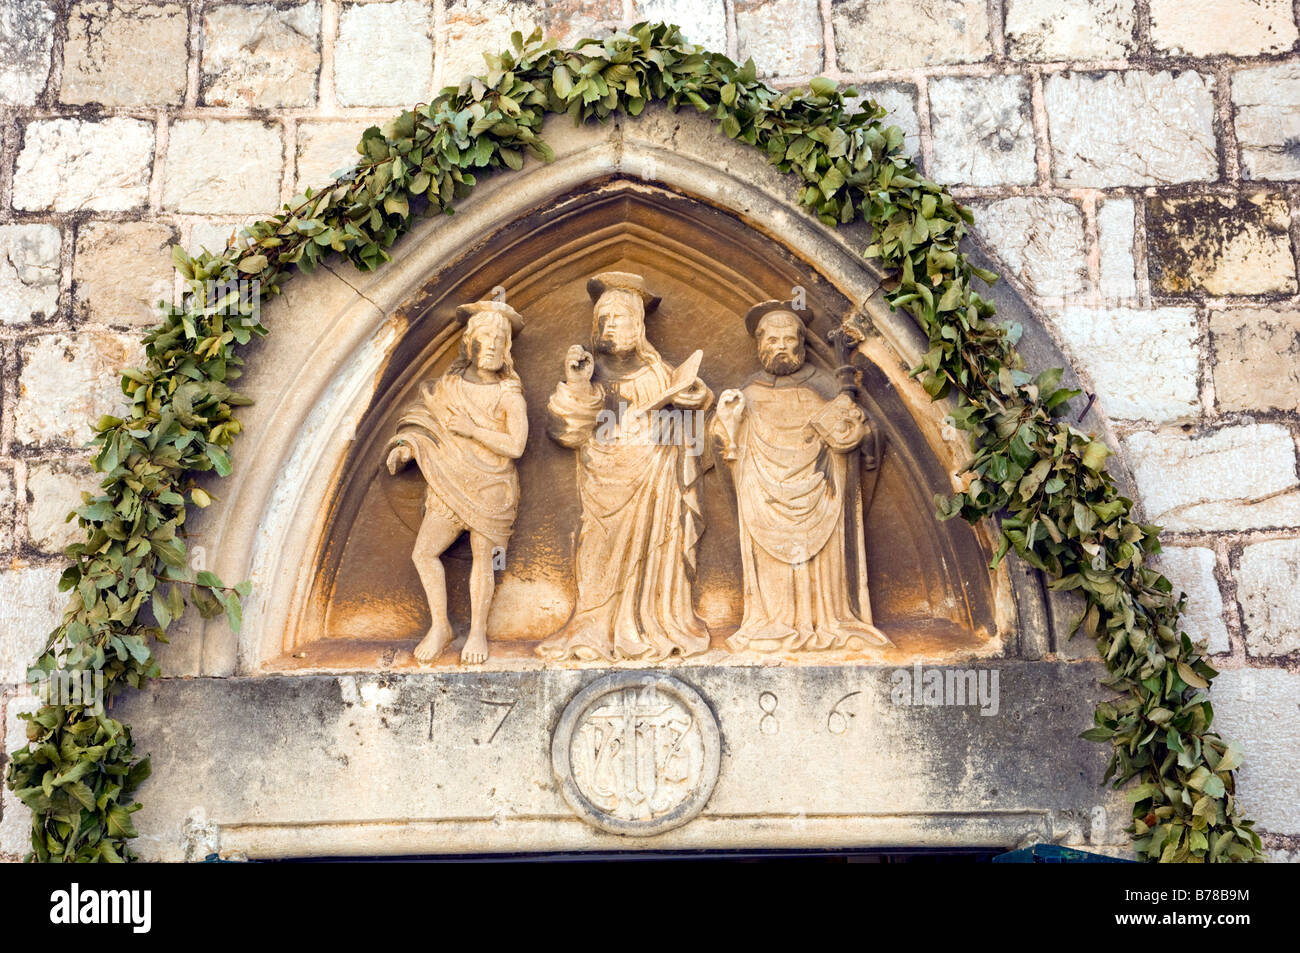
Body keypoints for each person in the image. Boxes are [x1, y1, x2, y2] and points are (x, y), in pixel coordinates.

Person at [540, 271, 713, 661]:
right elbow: (565, 433)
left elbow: (688, 428)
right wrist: (578, 386)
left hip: (656, 487)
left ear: (638, 326)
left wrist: (696, 402)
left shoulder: (658, 374)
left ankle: (652, 622)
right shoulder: (587, 372)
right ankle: (594, 629)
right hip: (603, 488)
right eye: (603, 319)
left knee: (655, 548)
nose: (610, 326)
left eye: (619, 319)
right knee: (595, 553)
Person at [711, 299, 891, 653]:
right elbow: (721, 443)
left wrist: (858, 428)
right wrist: (725, 422)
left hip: (821, 495)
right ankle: (772, 623)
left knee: (824, 572)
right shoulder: (747, 394)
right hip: (764, 502)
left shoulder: (824, 387)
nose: (780, 347)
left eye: (788, 340)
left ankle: (829, 619)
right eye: (772, 340)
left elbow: (862, 433)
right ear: (760, 345)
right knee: (773, 568)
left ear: (802, 344)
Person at [385, 298, 528, 664]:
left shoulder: (509, 394)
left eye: (501, 339)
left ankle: (478, 631)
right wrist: (404, 447)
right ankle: (440, 626)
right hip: (449, 485)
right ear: (471, 343)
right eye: (486, 337)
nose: (493, 345)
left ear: (507, 349)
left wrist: (474, 429)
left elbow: (515, 445)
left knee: (486, 560)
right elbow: (420, 423)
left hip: (493, 488)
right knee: (424, 552)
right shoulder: (446, 387)